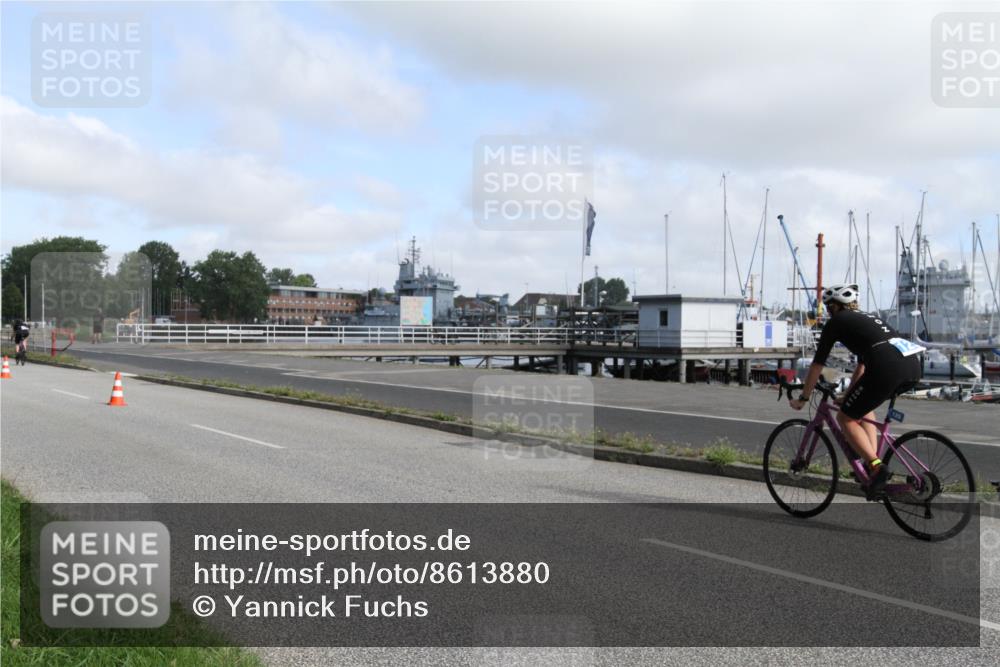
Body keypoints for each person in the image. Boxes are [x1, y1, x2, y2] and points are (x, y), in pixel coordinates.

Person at [789, 284, 923, 498]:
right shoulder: (867, 319)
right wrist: (849, 395)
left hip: (887, 367)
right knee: (860, 409)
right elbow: (861, 366)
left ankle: (877, 467)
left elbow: (817, 365)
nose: (827, 311)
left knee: (845, 419)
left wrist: (803, 398)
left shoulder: (836, 323)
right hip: (913, 366)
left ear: (833, 307)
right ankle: (873, 465)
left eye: (827, 307)